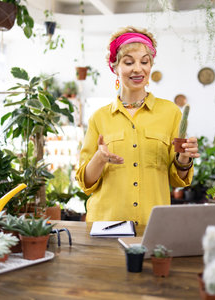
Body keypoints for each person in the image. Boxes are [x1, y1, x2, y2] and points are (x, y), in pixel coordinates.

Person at [75, 26, 200, 225]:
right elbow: (86, 183)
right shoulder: (99, 118)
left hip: (152, 224)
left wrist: (184, 158)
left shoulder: (171, 114)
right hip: (106, 225)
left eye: (144, 61)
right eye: (128, 62)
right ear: (115, 67)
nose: (137, 68)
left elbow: (178, 180)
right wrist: (100, 158)